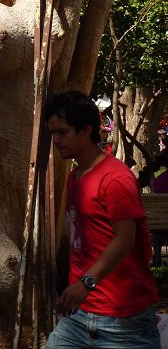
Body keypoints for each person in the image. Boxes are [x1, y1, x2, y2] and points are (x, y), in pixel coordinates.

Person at [45, 90, 160, 349]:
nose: (56, 140)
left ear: (87, 129)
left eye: (62, 132)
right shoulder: (75, 177)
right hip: (78, 316)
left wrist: (85, 283)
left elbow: (125, 238)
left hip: (123, 321)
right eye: (53, 133)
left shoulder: (115, 178)